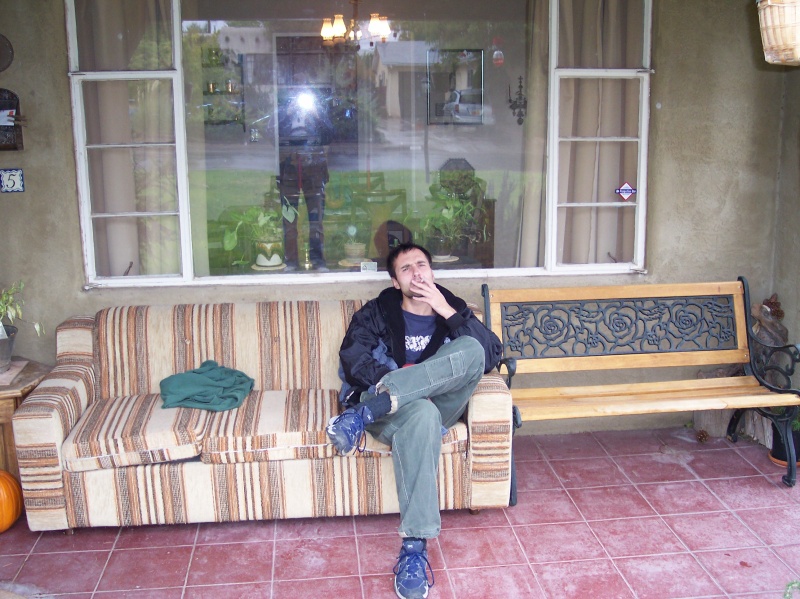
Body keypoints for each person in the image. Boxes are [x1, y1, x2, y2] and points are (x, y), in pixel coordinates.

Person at [330, 242, 503, 599]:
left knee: (470, 349)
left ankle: (363, 414)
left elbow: (488, 356)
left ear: (432, 271)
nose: (416, 272)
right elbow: (354, 359)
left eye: (421, 265)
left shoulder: (452, 307)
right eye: (406, 269)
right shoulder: (377, 313)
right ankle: (414, 549)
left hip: (430, 404)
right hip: (395, 414)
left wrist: (446, 310)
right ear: (396, 282)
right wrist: (407, 391)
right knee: (422, 413)